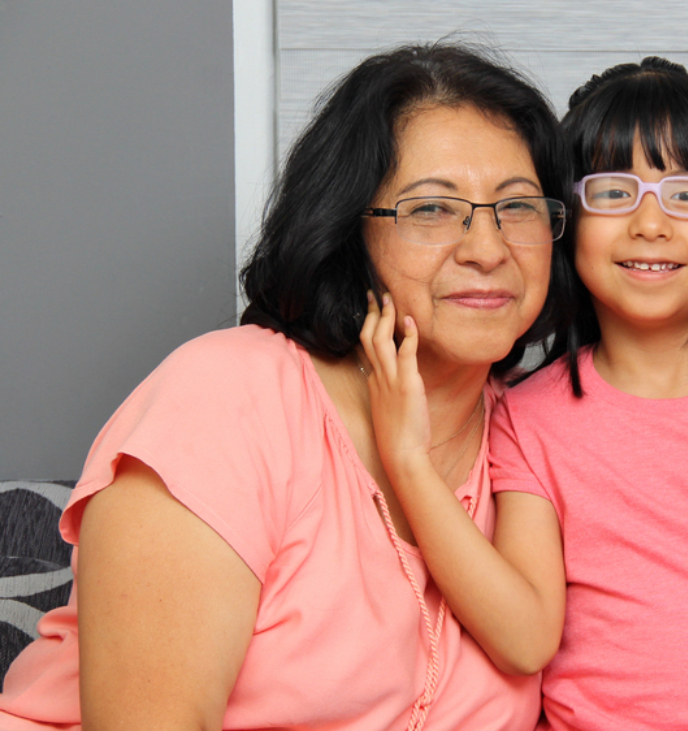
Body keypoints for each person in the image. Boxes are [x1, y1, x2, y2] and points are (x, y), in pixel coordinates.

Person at [0, 42, 568, 731]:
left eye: (518, 207)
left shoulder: (541, 436)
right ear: (349, 231)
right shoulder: (228, 398)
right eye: (431, 210)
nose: (488, 249)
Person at [362, 57, 688, 731]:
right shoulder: (528, 417)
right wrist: (409, 463)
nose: (651, 224)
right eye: (614, 193)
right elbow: (525, 637)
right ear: (564, 221)